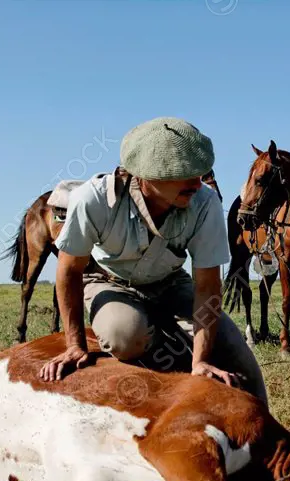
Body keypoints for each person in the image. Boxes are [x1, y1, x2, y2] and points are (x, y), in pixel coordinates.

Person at [38, 116, 267, 403]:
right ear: (146, 175)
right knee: (125, 335)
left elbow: (207, 286)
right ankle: (165, 364)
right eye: (185, 175)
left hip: (171, 283)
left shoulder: (205, 203)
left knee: (235, 351)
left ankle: (267, 438)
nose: (197, 184)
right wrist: (75, 345)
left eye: (200, 174)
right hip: (110, 283)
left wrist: (202, 360)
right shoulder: (93, 200)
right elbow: (69, 271)